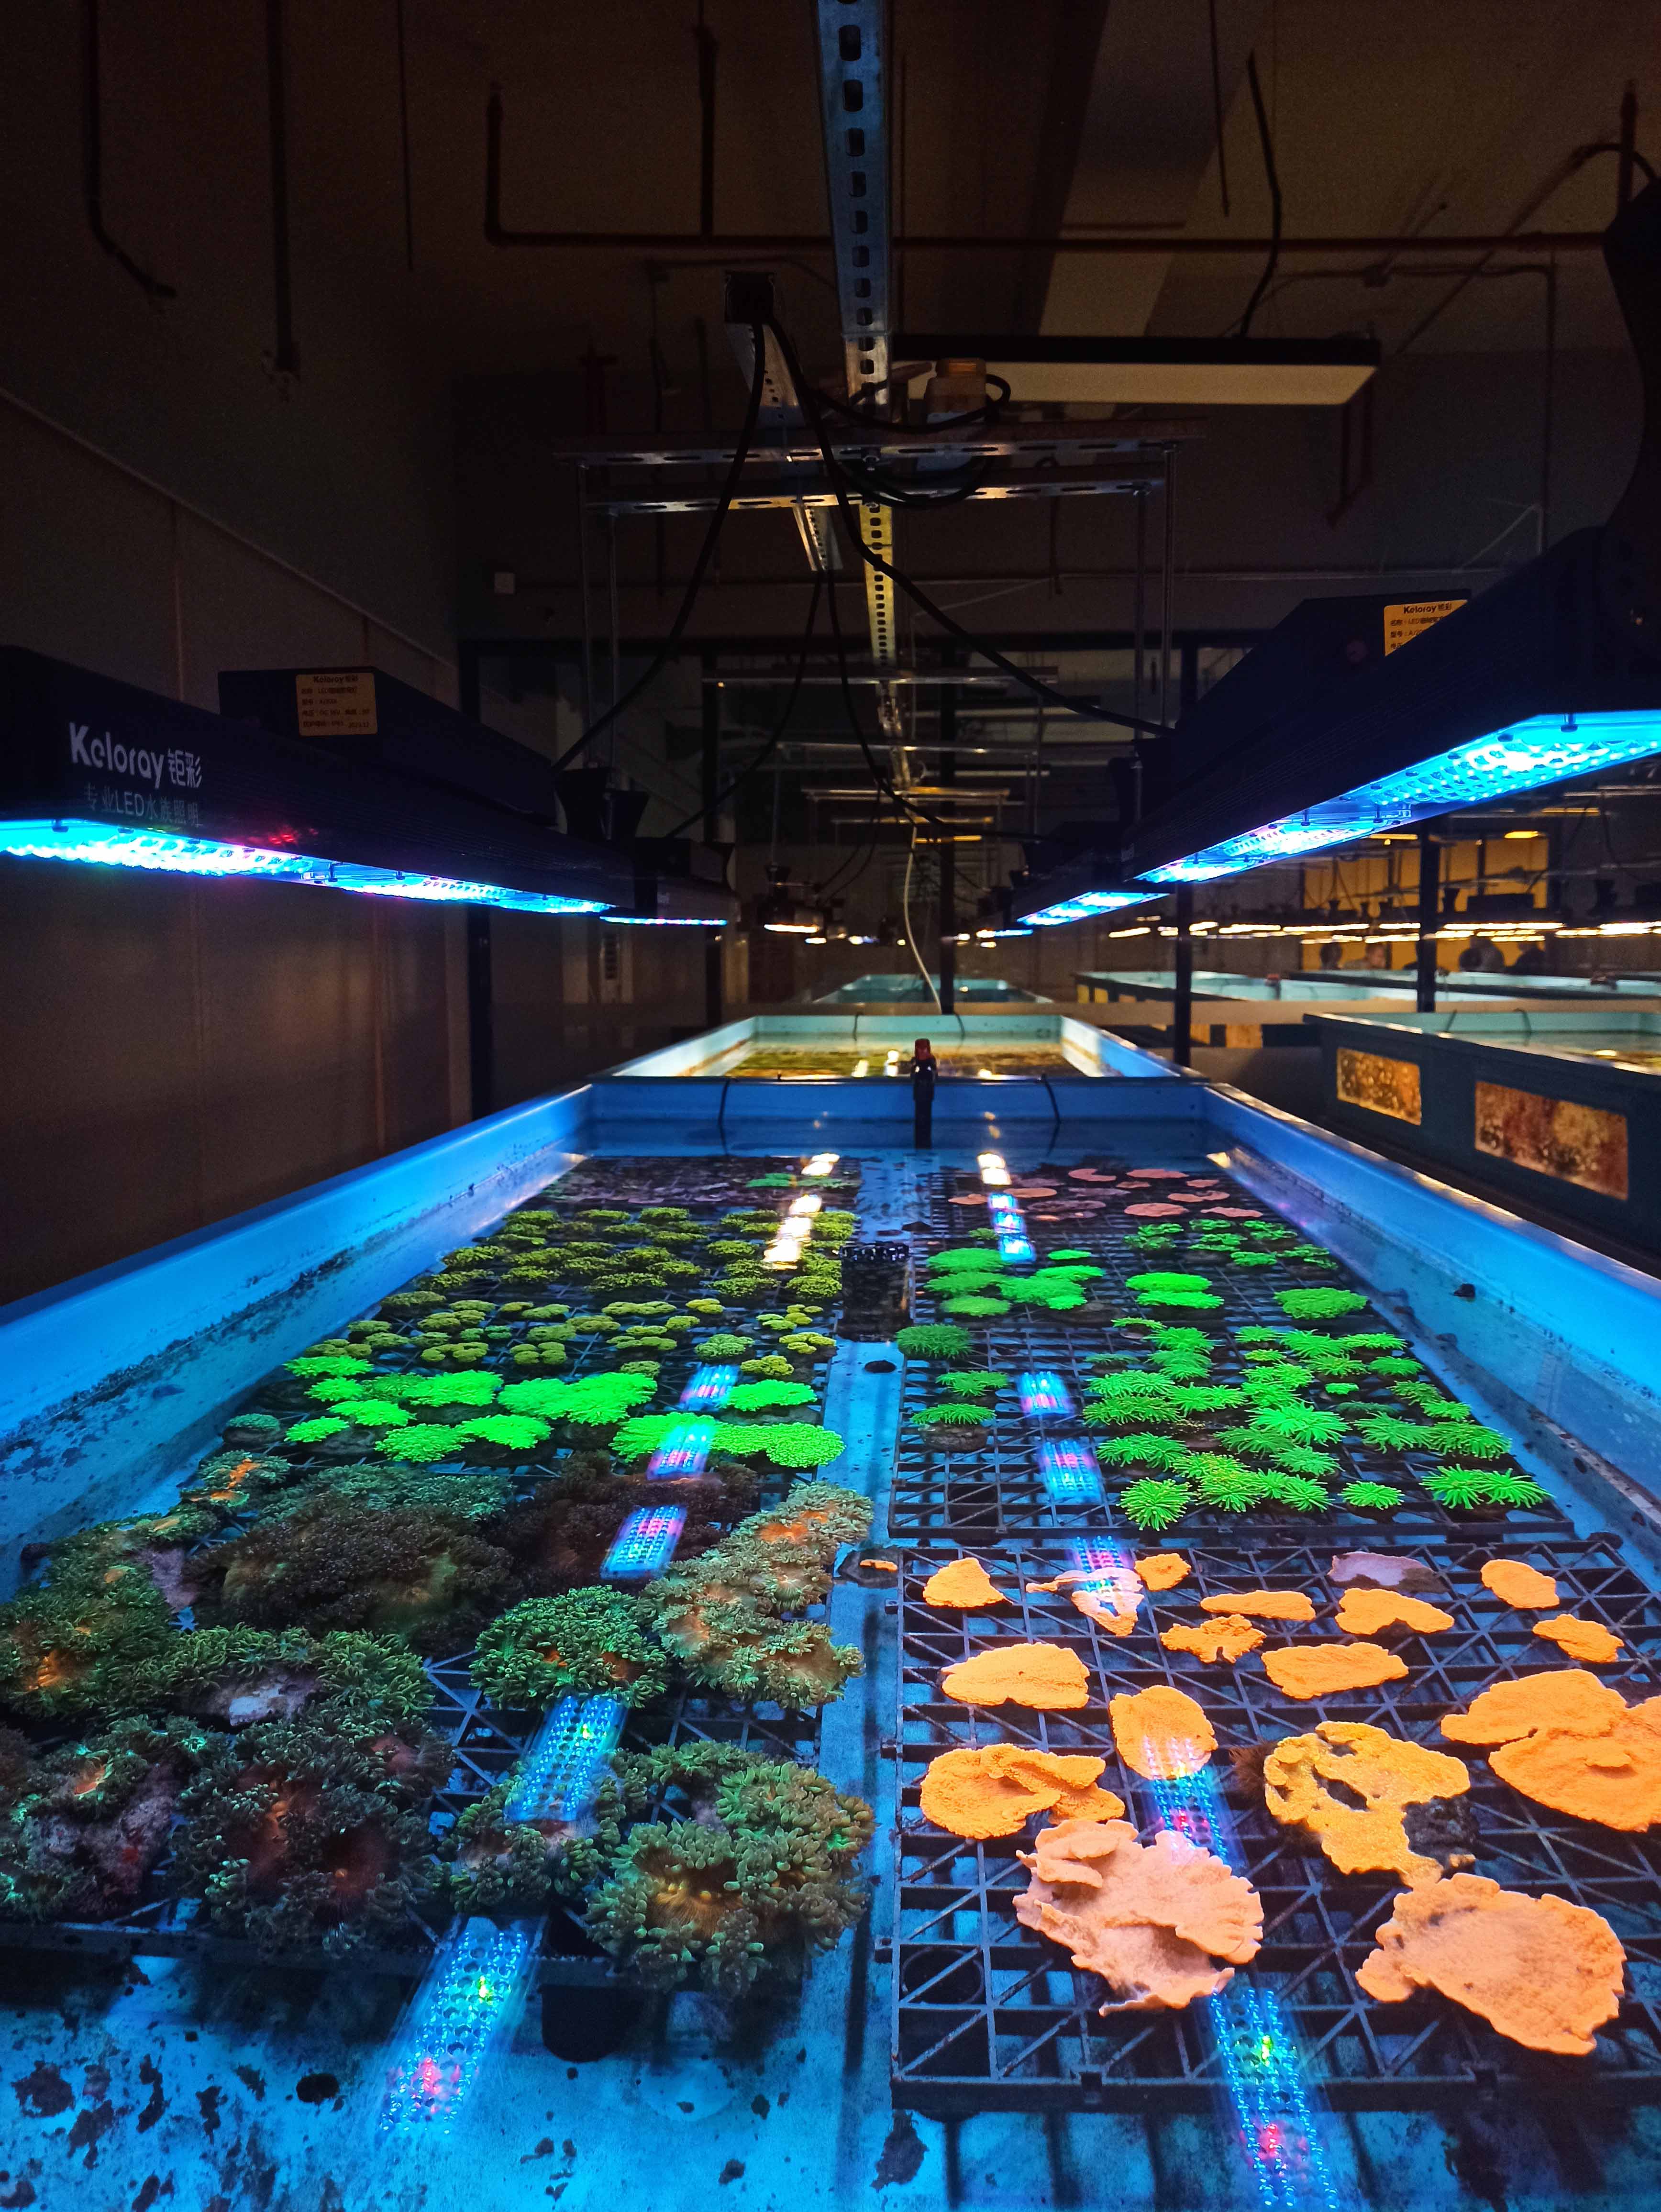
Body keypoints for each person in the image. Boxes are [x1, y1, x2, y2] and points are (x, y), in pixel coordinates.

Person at [908, 1036, 937, 1148]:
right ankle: (921, 1141)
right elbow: (912, 1075)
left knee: (924, 1117)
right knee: (921, 1117)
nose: (922, 1051)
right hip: (921, 1091)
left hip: (925, 1091)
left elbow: (934, 1074)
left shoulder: (929, 1061)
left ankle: (924, 1141)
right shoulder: (918, 1061)